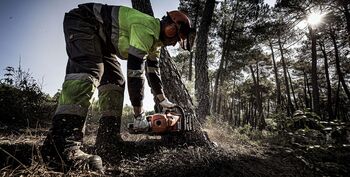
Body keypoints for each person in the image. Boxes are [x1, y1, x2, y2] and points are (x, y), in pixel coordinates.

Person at [40, 2, 195, 174]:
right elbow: (136, 72)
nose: (174, 44)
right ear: (171, 28)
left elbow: (152, 72)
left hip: (102, 40)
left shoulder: (156, 43)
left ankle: (108, 139)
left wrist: (163, 100)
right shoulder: (146, 27)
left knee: (115, 81)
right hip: (84, 22)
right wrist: (139, 115)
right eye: (176, 38)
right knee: (88, 71)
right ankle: (60, 145)